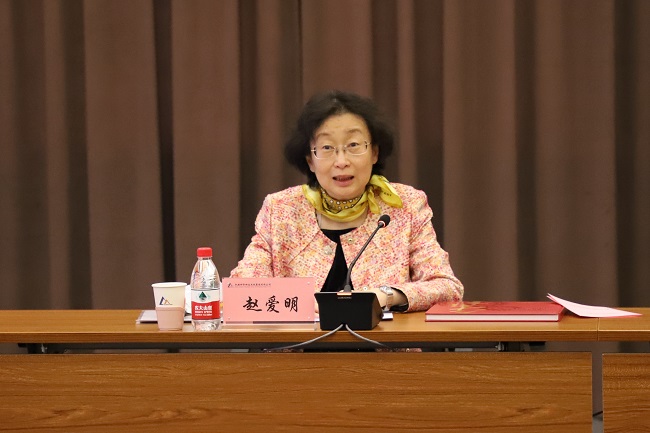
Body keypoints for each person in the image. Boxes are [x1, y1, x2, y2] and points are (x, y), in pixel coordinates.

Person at [230, 90, 463, 312]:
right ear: (310, 161)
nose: (341, 161)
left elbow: (447, 287)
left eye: (353, 146)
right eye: (327, 148)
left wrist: (385, 295)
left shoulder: (404, 205)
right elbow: (243, 289)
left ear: (374, 152)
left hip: (382, 341)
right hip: (301, 341)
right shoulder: (282, 209)